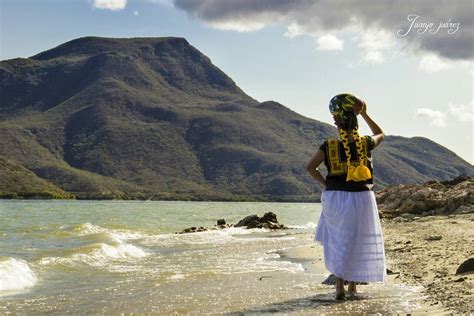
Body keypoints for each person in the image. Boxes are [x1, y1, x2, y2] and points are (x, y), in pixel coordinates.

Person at [306, 93, 387, 300]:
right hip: (362, 197)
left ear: (338, 122)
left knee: (339, 239)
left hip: (336, 198)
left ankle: (339, 286)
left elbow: (310, 167)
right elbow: (380, 133)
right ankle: (353, 286)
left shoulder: (329, 145)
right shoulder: (366, 143)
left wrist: (327, 184)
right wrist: (365, 115)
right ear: (355, 120)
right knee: (357, 238)